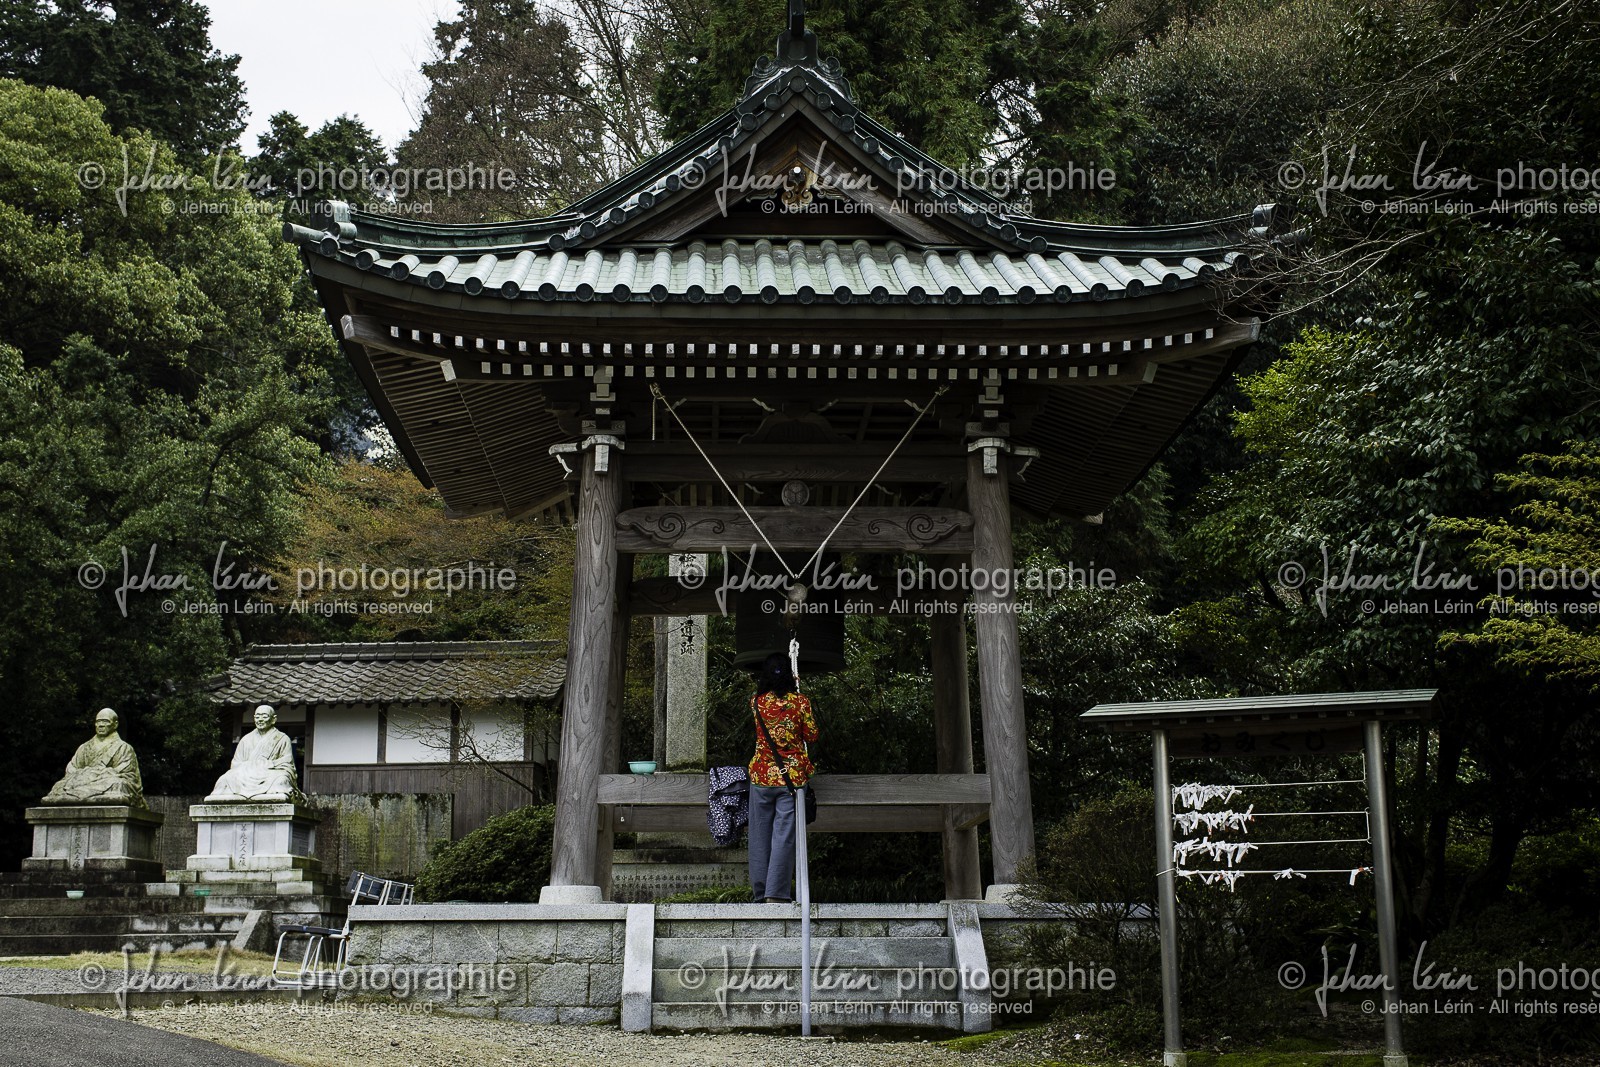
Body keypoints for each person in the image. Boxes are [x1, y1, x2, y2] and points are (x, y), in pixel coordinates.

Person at [747, 652, 818, 903]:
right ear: (790, 674)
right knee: (783, 835)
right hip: (791, 779)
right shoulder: (800, 702)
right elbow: (812, 735)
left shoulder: (756, 702)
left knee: (759, 835)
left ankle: (760, 892)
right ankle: (775, 894)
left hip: (761, 776)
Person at [41, 708, 145, 806]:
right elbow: (72, 768)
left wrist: (99, 773)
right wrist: (87, 773)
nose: (101, 725)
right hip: (83, 780)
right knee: (59, 786)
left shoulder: (124, 747)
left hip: (106, 780)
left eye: (105, 721)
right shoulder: (85, 747)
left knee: (119, 784)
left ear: (115, 724)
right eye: (98, 721)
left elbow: (127, 772)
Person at [205, 704, 303, 802]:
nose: (260, 720)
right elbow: (236, 763)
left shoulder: (282, 739)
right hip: (246, 773)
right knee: (224, 779)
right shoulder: (246, 739)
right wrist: (251, 765)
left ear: (273, 719)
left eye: (264, 716)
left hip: (270, 773)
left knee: (281, 780)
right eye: (257, 717)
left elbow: (287, 763)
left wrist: (268, 764)